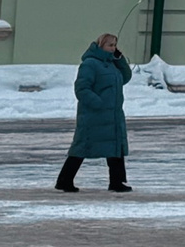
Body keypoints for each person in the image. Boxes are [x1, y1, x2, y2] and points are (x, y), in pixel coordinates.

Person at [56, 33, 132, 193]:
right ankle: (64, 180)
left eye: (114, 45)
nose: (113, 49)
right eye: (110, 45)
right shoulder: (90, 64)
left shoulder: (112, 63)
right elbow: (82, 88)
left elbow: (125, 77)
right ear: (100, 46)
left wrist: (120, 60)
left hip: (113, 115)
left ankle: (116, 182)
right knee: (83, 146)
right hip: (95, 115)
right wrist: (98, 103)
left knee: (115, 147)